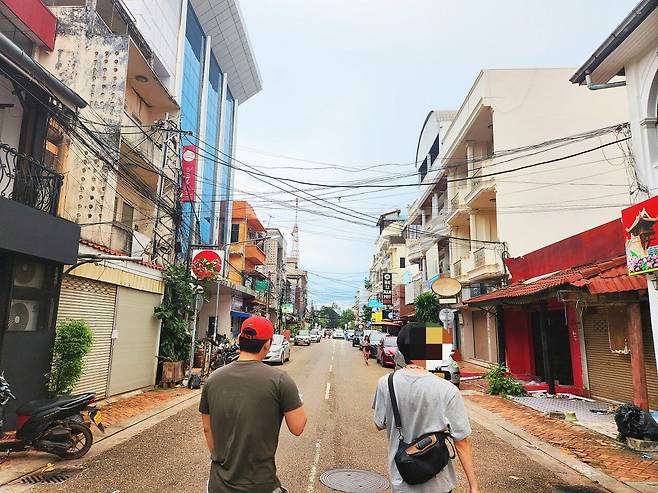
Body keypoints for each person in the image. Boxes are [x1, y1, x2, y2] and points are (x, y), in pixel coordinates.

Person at [200, 316, 307, 493]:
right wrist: (298, 399)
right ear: (267, 344)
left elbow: (207, 428)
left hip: (218, 484)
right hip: (260, 485)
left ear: (240, 340)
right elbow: (298, 427)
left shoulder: (213, 379)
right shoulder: (280, 381)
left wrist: (223, 459)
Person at [372, 324, 478, 493]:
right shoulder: (447, 389)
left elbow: (379, 424)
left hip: (402, 480)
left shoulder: (386, 383)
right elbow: (461, 441)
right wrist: (473, 486)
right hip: (438, 483)